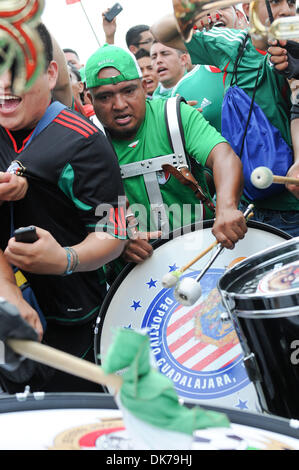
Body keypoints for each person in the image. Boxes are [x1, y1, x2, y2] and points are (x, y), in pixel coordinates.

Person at [0, 24, 126, 393]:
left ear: (50, 72)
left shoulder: (84, 141)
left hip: (74, 325)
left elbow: (114, 233)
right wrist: (9, 293)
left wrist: (65, 258)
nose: (5, 83)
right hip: (11, 315)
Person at [85, 44, 248, 269]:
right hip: (136, 278)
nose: (119, 105)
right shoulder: (86, 140)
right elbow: (79, 213)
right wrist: (117, 240)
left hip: (205, 256)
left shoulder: (175, 115)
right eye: (104, 97)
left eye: (129, 91)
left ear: (143, 86)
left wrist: (227, 206)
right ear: (88, 98)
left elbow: (223, 156)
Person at [151, 0, 299, 237]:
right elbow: (162, 30)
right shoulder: (233, 45)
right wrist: (199, 9)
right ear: (249, 6)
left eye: (291, 2)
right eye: (273, 1)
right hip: (251, 211)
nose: (284, 10)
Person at [170, 7, 248, 133]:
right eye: (205, 9)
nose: (213, 14)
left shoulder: (266, 59)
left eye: (222, 6)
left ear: (240, 16)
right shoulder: (183, 88)